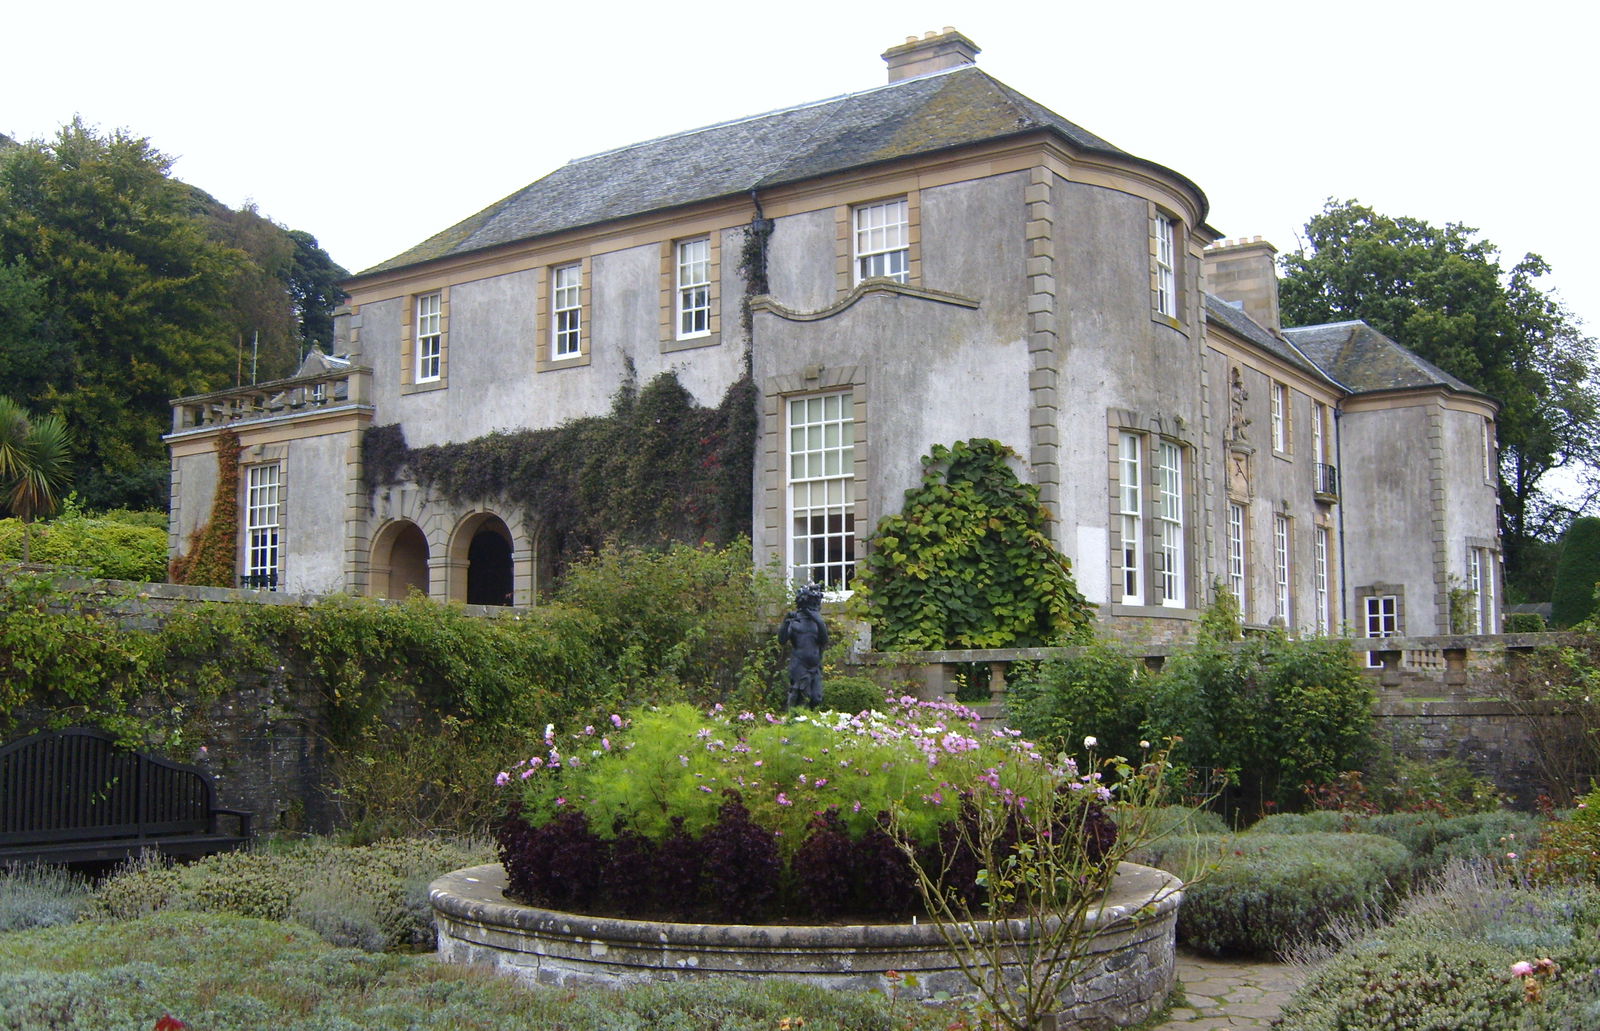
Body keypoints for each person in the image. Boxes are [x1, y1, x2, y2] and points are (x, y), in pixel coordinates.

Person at [779, 584, 828, 709]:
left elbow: (824, 641)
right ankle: (795, 719)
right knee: (801, 697)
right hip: (800, 664)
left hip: (815, 666)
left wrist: (818, 620)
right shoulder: (795, 622)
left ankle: (808, 721)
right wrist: (785, 622)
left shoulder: (817, 623)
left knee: (816, 697)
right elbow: (782, 640)